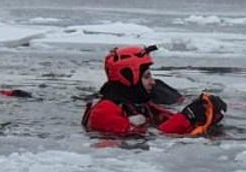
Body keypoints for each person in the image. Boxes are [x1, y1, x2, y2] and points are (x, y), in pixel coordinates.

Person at [83, 45, 227, 136]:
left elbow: (167, 119)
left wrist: (201, 113)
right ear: (129, 78)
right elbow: (150, 136)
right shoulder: (105, 111)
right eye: (146, 77)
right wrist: (186, 117)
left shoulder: (140, 105)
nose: (153, 82)